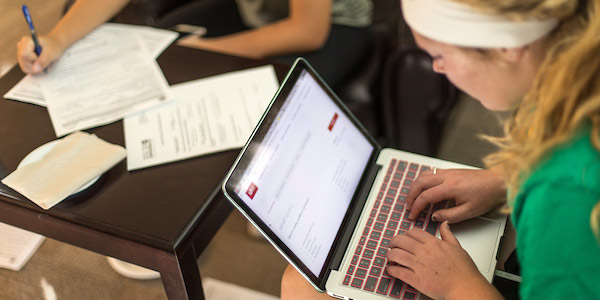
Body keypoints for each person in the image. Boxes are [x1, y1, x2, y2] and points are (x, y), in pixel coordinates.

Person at [281, 0, 600, 299]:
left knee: (301, 286)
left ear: (508, 48)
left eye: (439, 55)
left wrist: (458, 286)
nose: (436, 68)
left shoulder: (566, 194)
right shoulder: (571, 84)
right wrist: (505, 179)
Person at [17, 0, 372, 88]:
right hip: (253, 10)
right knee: (163, 60)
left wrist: (205, 52)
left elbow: (307, 31)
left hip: (334, 26)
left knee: (249, 95)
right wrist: (57, 38)